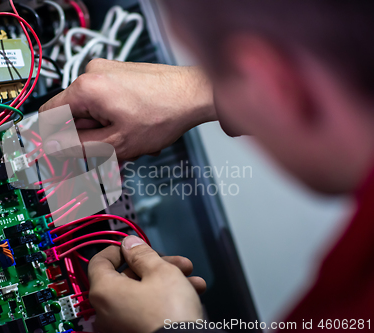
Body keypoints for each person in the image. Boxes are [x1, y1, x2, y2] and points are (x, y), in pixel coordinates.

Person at [39, 1, 374, 332]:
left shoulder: (348, 301)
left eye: (212, 69)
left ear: (271, 82)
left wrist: (166, 328)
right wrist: (199, 91)